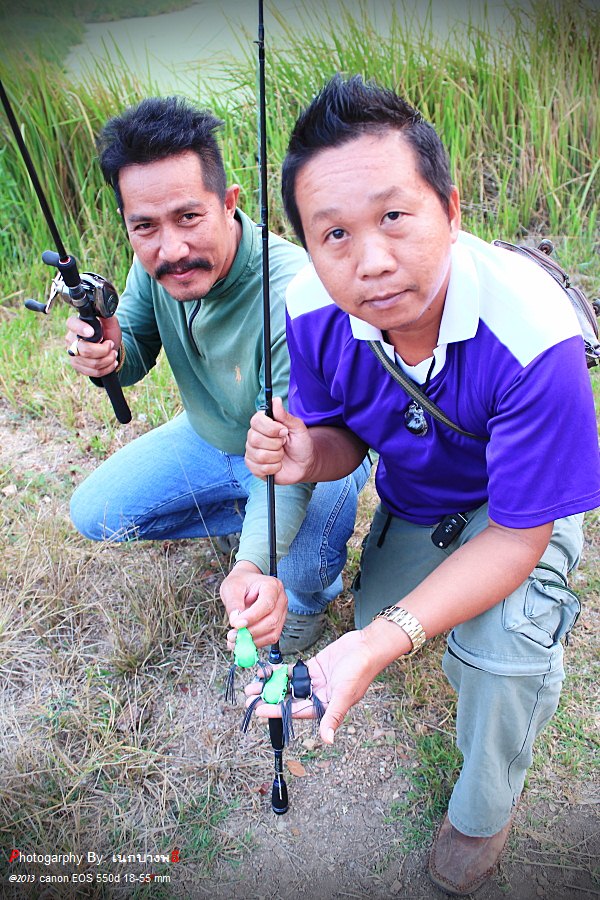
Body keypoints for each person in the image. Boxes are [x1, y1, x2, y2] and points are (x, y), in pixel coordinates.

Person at [242, 75, 600, 895]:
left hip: (519, 512)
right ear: (308, 243)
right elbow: (339, 439)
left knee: (500, 650)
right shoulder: (309, 304)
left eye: (394, 216)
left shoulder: (534, 331)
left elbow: (515, 537)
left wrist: (381, 640)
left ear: (450, 205)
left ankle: (483, 811)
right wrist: (306, 452)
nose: (370, 260)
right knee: (392, 619)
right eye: (334, 233)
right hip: (419, 501)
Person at [65, 95, 370, 655]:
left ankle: (312, 588)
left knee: (296, 571)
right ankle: (249, 521)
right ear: (129, 225)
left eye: (189, 217)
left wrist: (250, 563)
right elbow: (132, 351)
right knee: (96, 514)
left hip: (307, 453)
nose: (171, 249)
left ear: (228, 202)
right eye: (145, 226)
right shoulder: (152, 260)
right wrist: (106, 352)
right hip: (211, 437)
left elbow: (290, 459)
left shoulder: (294, 296)